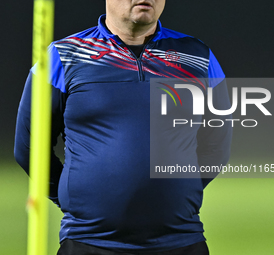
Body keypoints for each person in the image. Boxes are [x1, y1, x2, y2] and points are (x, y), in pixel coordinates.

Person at [14, 0, 232, 254]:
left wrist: (179, 191)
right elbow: (29, 147)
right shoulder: (62, 55)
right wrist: (71, 198)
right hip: (89, 242)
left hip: (181, 240)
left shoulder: (197, 56)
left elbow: (216, 146)